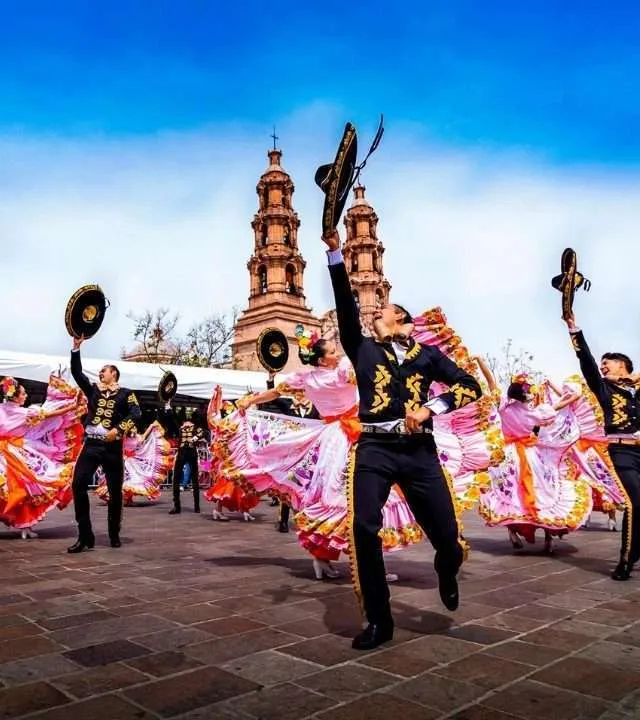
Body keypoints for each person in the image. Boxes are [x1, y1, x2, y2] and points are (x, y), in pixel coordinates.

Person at [323, 228, 482, 650]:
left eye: (383, 312)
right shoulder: (362, 348)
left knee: (448, 539)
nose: (375, 315)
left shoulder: (427, 356)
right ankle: (379, 619)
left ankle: (446, 568)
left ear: (403, 322)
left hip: (419, 453)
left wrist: (433, 409)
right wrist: (336, 253)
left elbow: (470, 386)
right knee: (363, 525)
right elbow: (345, 304)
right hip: (373, 449)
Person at [564, 311, 638, 580]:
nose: (604, 366)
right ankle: (626, 561)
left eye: (609, 363)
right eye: (603, 363)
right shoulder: (604, 389)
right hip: (622, 451)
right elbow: (587, 363)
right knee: (632, 502)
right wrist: (574, 330)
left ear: (623, 365)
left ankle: (634, 550)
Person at [68, 336, 141, 552]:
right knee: (78, 484)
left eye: (104, 370)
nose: (101, 373)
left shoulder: (127, 394)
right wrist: (76, 348)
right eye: (100, 371)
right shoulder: (93, 390)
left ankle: (113, 533)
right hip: (91, 444)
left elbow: (136, 413)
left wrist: (118, 430)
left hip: (112, 448)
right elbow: (76, 373)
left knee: (115, 490)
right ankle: (85, 534)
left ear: (114, 374)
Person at [0, 374, 85, 539]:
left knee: (12, 489)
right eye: (23, 394)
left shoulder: (2, 409)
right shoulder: (23, 412)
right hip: (17, 452)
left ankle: (24, 525)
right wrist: (70, 408)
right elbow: (49, 415)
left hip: (6, 453)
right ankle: (25, 525)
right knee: (31, 486)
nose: (25, 396)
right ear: (15, 396)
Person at [168, 409, 205, 515]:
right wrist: (168, 408)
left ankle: (197, 506)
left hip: (192, 452)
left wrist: (195, 438)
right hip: (181, 452)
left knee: (195, 479)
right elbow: (172, 420)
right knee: (176, 478)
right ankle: (177, 506)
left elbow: (201, 433)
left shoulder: (196, 427)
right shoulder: (180, 428)